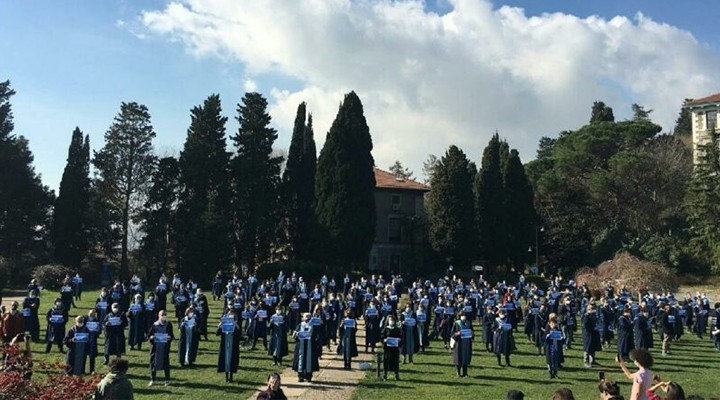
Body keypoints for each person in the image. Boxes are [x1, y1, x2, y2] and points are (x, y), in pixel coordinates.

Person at [148, 310, 175, 386]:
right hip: (155, 348)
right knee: (153, 363)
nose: (164, 316)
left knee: (166, 363)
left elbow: (171, 335)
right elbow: (148, 336)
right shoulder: (154, 325)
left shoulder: (169, 324)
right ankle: (152, 379)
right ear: (159, 316)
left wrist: (170, 337)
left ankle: (167, 379)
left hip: (164, 347)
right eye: (162, 315)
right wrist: (151, 337)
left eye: (165, 315)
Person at [292, 312, 319, 382]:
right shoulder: (300, 325)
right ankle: (300, 376)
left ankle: (308, 376)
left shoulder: (313, 325)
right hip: (301, 345)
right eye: (306, 317)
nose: (307, 318)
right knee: (300, 360)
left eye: (309, 317)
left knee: (310, 360)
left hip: (310, 345)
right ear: (303, 318)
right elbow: (294, 335)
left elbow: (317, 336)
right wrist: (296, 334)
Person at [217, 309, 241, 383]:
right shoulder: (224, 323)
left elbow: (239, 334)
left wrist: (236, 325)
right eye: (229, 314)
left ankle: (231, 377)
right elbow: (217, 333)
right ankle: (226, 377)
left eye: (232, 314)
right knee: (226, 360)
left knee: (232, 360)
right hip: (225, 344)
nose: (231, 315)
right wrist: (220, 325)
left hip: (233, 345)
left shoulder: (236, 323)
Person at [452, 310, 473, 377]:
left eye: (464, 315)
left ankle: (465, 373)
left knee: (466, 357)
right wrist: (457, 334)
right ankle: (458, 373)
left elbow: (471, 331)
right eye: (462, 315)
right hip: (459, 343)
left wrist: (472, 334)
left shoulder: (468, 323)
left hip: (467, 342)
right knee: (458, 357)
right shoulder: (456, 323)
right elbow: (452, 333)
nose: (463, 317)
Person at [381, 314, 401, 381]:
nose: (391, 321)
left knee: (395, 361)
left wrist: (399, 340)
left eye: (392, 320)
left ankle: (396, 375)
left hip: (395, 348)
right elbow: (382, 337)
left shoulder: (397, 329)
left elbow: (401, 337)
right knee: (386, 361)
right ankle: (385, 375)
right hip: (388, 349)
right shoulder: (385, 329)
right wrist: (384, 340)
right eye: (390, 320)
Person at [545, 313, 565, 379]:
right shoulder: (548, 325)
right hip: (550, 346)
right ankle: (551, 373)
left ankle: (555, 373)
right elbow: (546, 335)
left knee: (556, 361)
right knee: (550, 361)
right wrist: (549, 334)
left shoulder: (557, 325)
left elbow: (560, 333)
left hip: (556, 344)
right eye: (554, 317)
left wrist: (561, 337)